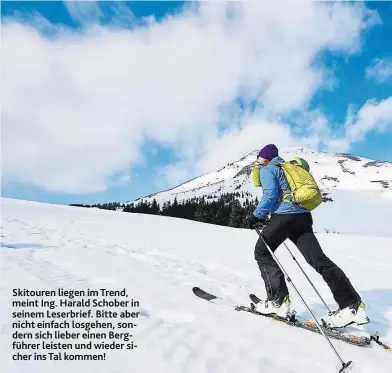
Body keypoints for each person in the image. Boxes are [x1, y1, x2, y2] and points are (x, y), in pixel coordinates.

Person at [247, 144, 369, 328]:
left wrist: (256, 216)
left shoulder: (269, 169)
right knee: (318, 259)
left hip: (284, 217)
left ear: (265, 158)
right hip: (303, 217)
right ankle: (351, 305)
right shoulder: (288, 169)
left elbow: (270, 196)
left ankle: (278, 301)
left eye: (259, 159)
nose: (258, 162)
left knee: (262, 252)